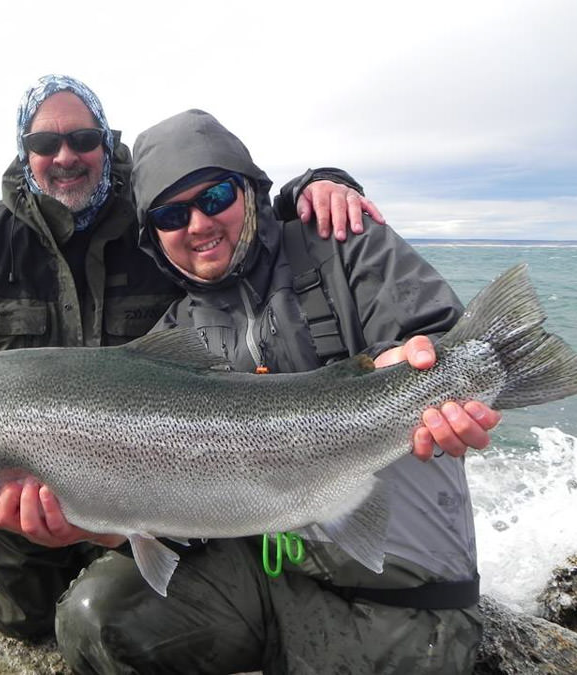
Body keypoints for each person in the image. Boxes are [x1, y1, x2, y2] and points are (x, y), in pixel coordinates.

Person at [0, 74, 384, 640]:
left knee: (139, 631)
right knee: (20, 625)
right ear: (23, 150)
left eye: (83, 139)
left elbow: (240, 217)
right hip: (24, 505)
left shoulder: (159, 219)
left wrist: (319, 184)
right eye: (44, 144)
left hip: (160, 486)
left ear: (107, 141)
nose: (65, 156)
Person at [52, 109, 501, 674]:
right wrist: (96, 523)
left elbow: (438, 332)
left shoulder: (343, 243)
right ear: (153, 237)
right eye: (171, 213)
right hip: (259, 582)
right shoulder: (169, 343)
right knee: (95, 618)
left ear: (250, 191)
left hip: (404, 598)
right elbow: (177, 511)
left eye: (214, 196)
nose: (198, 224)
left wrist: (420, 362)